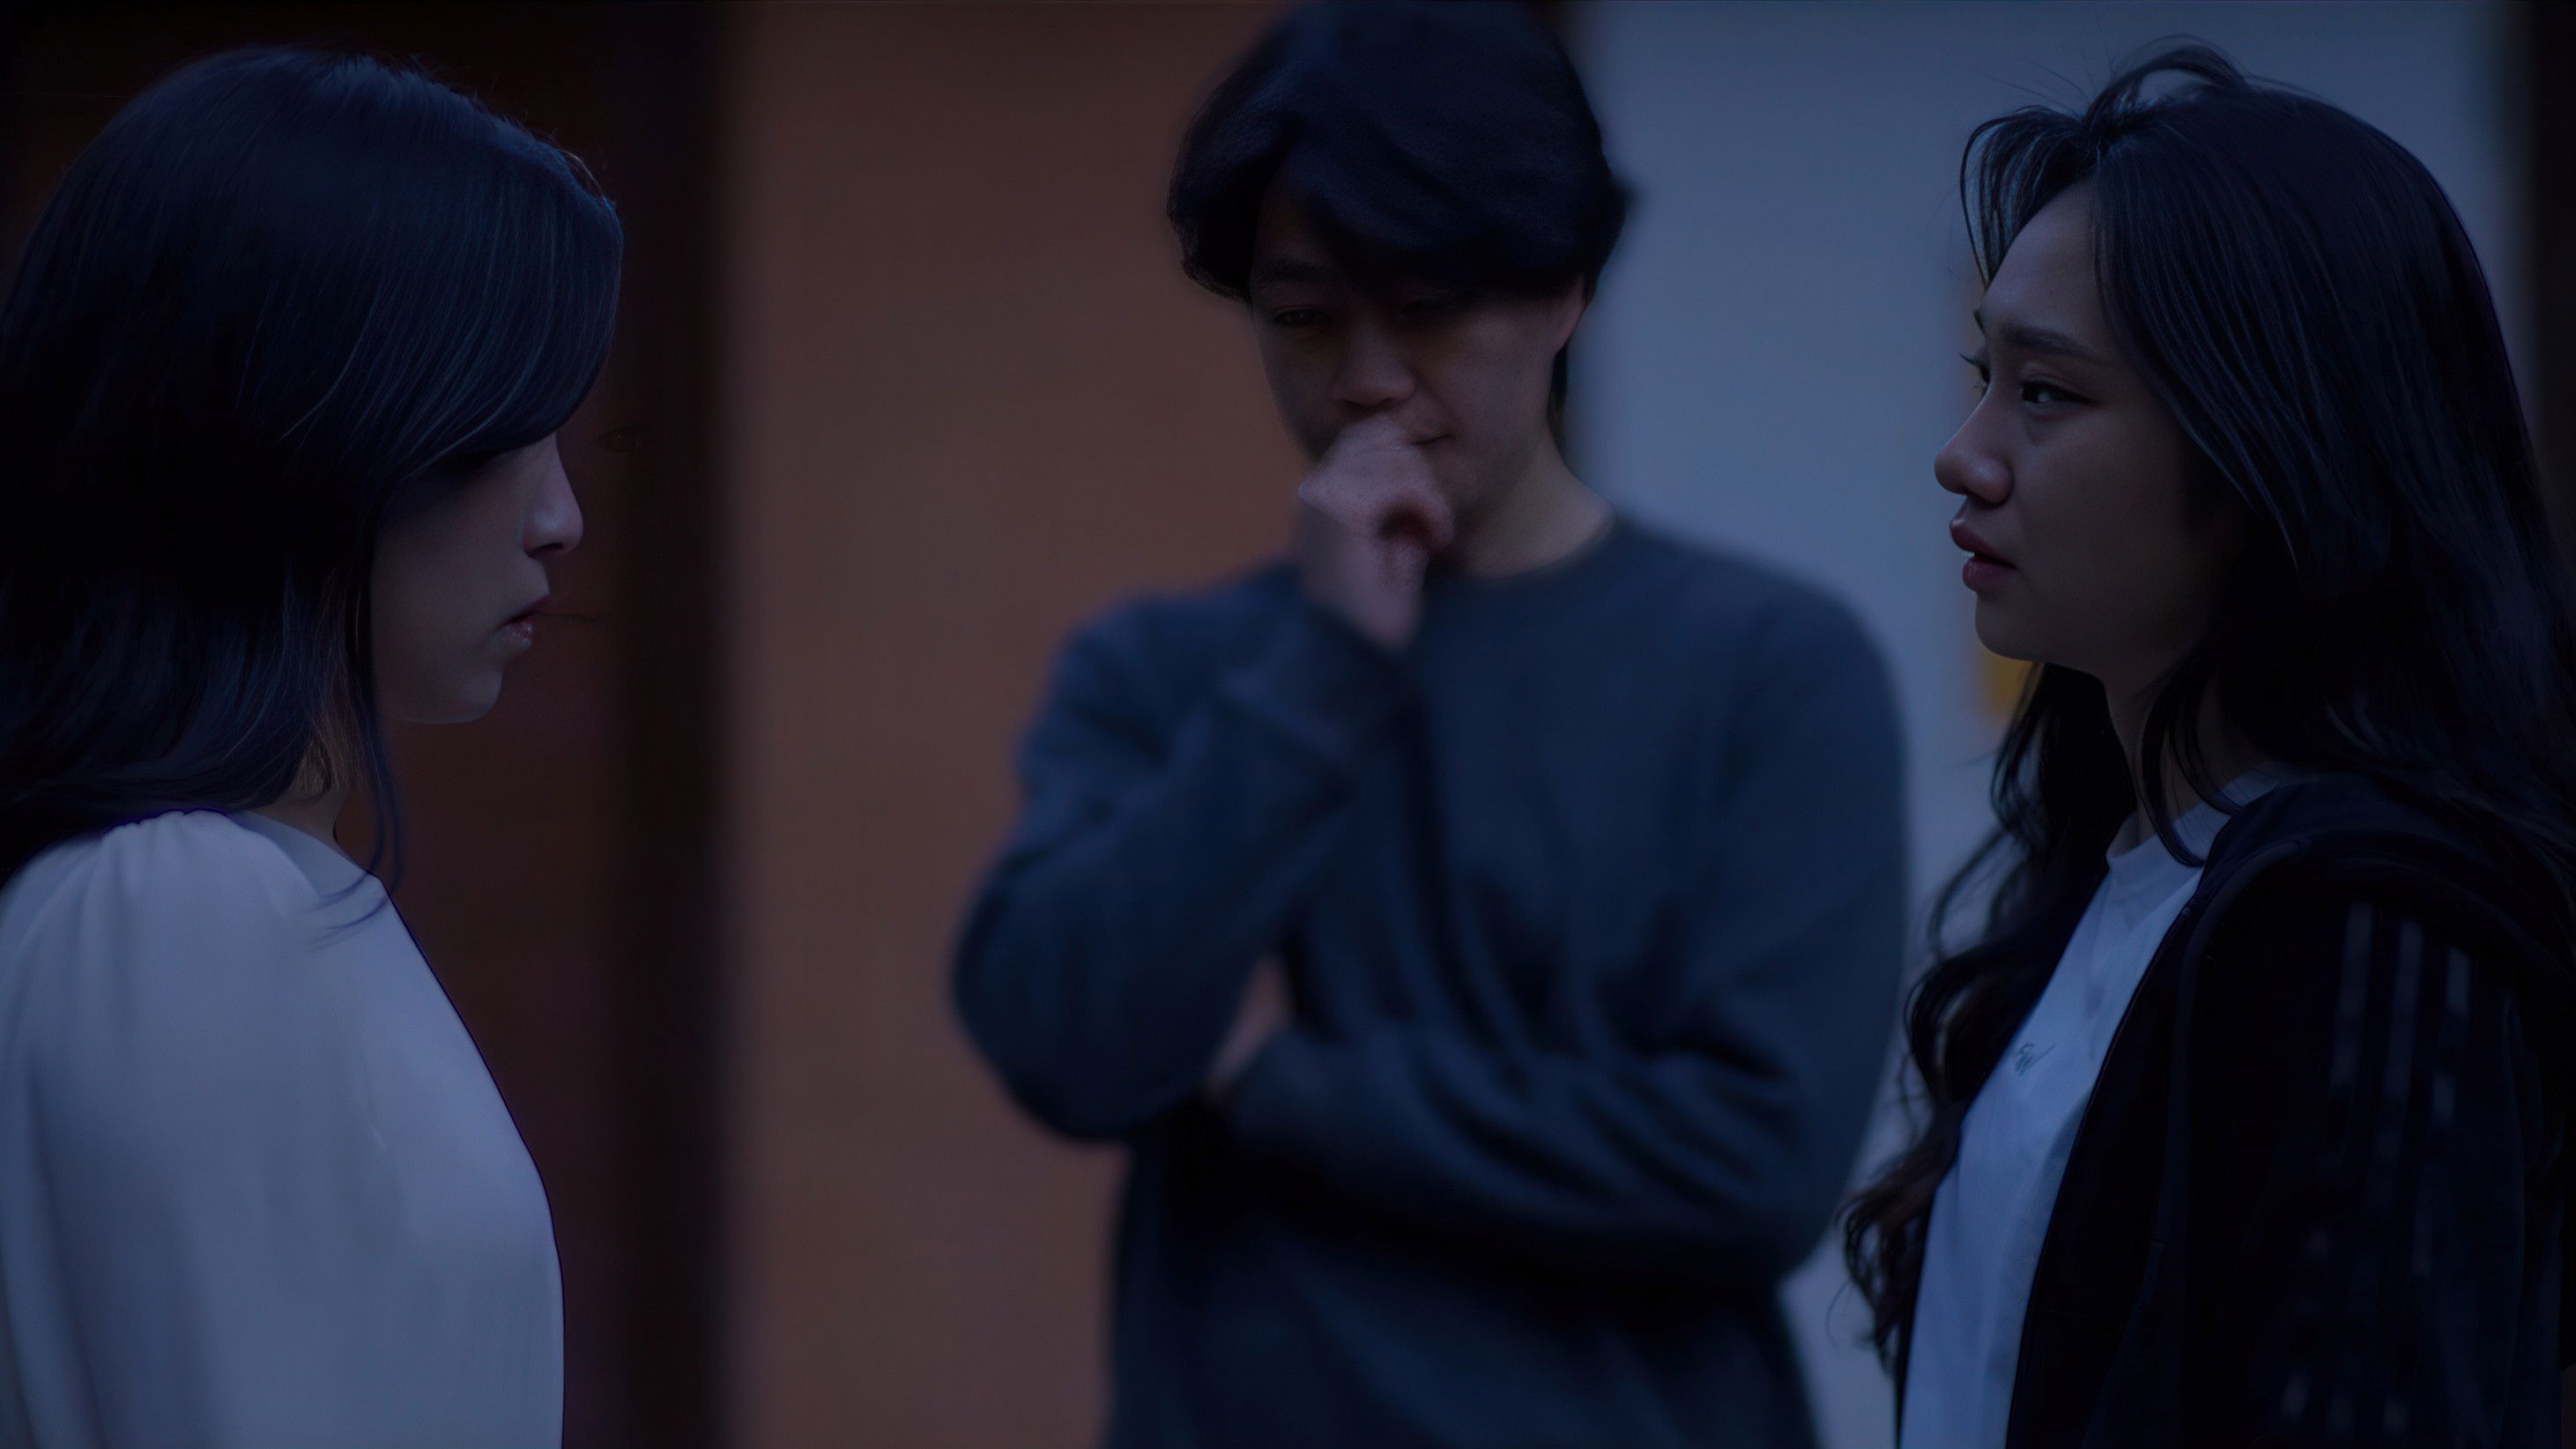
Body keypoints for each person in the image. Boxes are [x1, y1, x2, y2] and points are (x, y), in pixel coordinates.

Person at [954, 4, 1906, 1445]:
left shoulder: (1769, 669)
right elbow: (1066, 1042)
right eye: (1304, 317)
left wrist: (1274, 1077)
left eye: (1430, 306)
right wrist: (1325, 666)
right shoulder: (1164, 672)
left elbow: (1754, 1168)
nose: (1366, 377)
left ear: (1566, 291)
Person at [1844, 46, 2576, 1448]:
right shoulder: (2120, 879)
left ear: (2265, 448)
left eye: (2045, 393)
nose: (1963, 454)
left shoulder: (2373, 916)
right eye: (1985, 376)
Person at [0, 46, 619, 1446]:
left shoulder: (237, 899)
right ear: (307, 424)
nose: (561, 520)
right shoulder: (181, 914)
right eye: (500, 435)